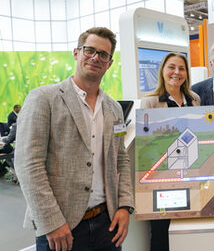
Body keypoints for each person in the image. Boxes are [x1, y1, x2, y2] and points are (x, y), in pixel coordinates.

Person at [15, 27, 134, 251]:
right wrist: (52, 222)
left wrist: (124, 206)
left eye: (103, 54)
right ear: (76, 52)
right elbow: (28, 165)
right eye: (89, 50)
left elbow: (121, 160)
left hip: (106, 224)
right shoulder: (43, 99)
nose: (95, 58)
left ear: (109, 63)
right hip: (62, 227)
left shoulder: (114, 109)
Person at [140, 52, 201, 251]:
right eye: (171, 67)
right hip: (162, 179)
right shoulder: (150, 102)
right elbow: (146, 145)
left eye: (181, 68)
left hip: (190, 176)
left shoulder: (194, 100)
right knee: (161, 232)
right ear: (163, 71)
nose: (176, 72)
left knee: (187, 232)